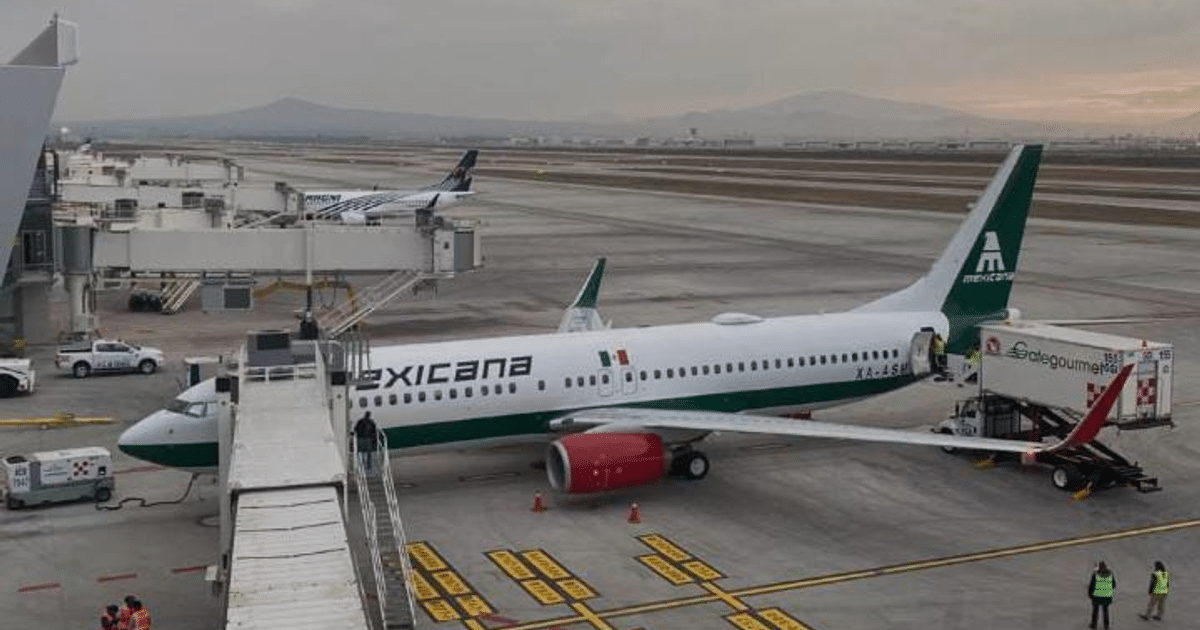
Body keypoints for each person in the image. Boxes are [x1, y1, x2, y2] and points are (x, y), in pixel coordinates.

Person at [1088, 561, 1116, 629]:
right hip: (1107, 596)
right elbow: (1114, 585)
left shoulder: (1095, 575)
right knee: (1105, 610)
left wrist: (1090, 595)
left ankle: (1094, 624)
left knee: (1095, 610)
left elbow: (1091, 586)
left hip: (1097, 596)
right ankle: (1106, 625)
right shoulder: (1110, 575)